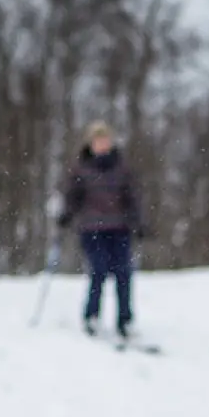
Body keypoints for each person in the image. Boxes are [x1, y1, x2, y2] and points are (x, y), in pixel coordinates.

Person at [57, 121, 149, 339]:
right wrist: (66, 215)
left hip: (119, 227)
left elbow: (132, 198)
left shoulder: (122, 168)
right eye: (98, 140)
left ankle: (125, 320)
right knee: (98, 270)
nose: (102, 144)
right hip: (91, 228)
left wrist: (139, 222)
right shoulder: (81, 169)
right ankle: (92, 316)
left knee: (123, 273)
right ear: (91, 144)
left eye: (105, 140)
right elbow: (73, 197)